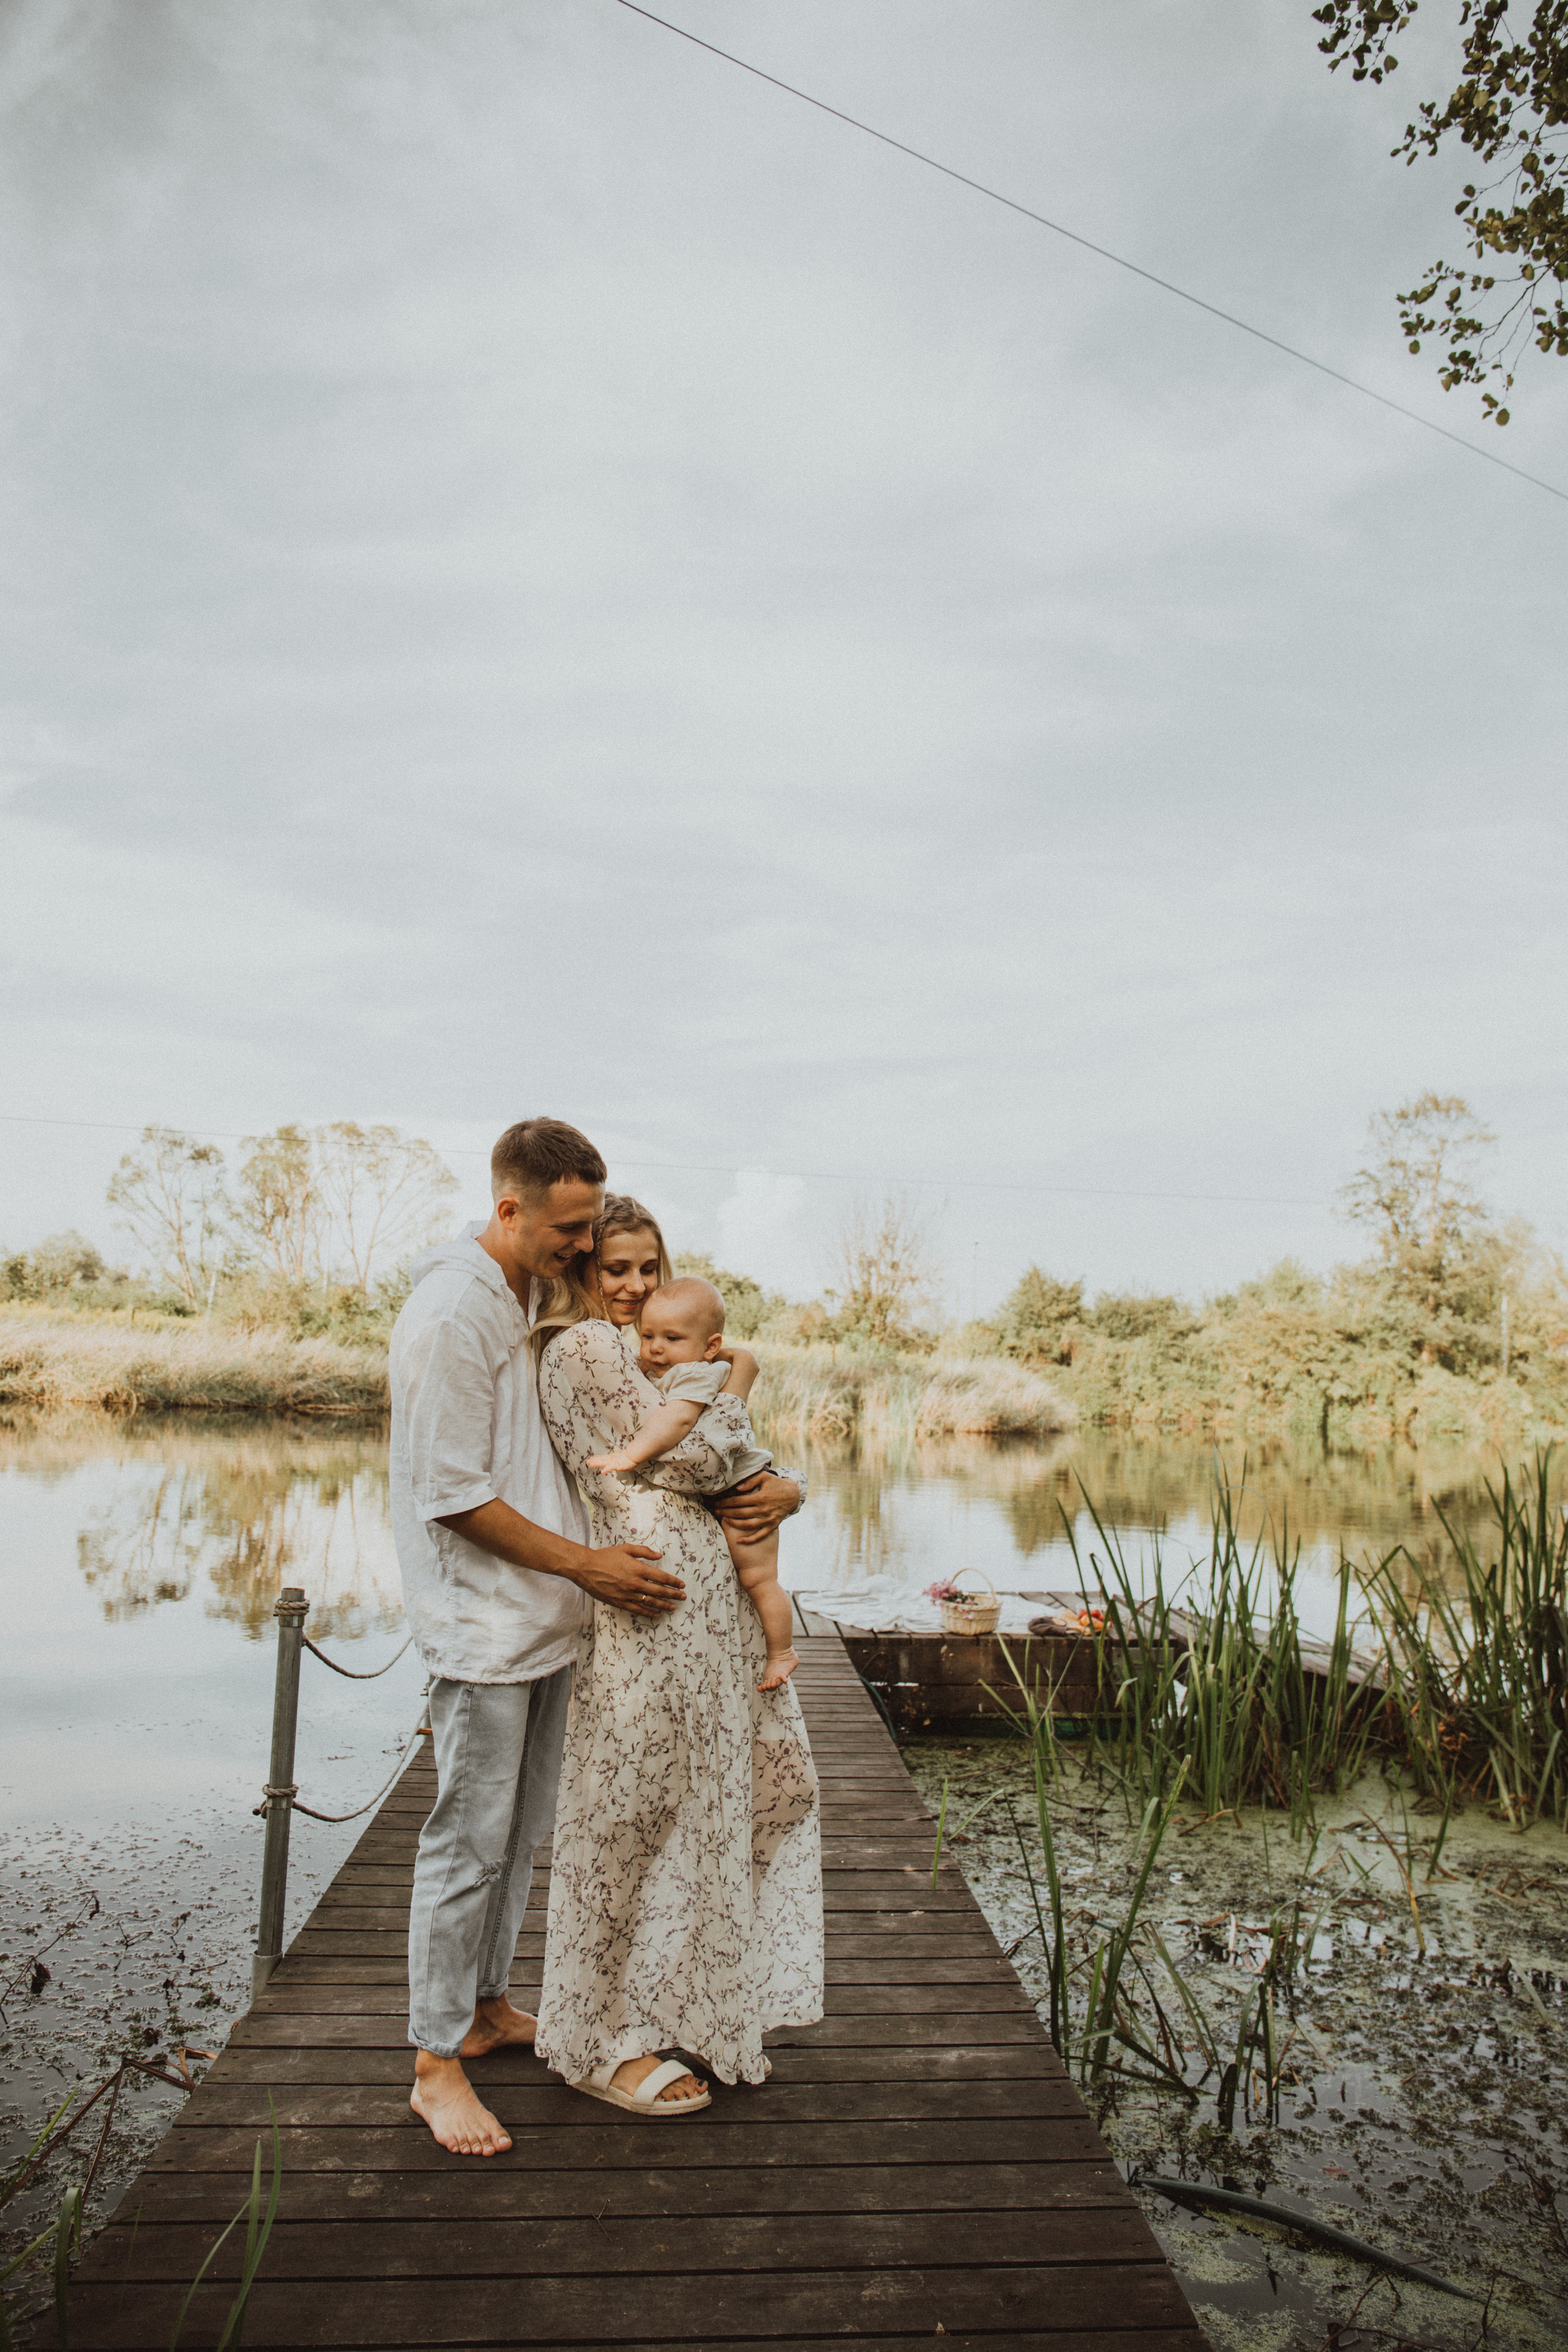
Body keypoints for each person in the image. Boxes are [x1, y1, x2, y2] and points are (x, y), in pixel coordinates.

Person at [388, 1121, 805, 2155]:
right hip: (490, 1623)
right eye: (574, 1235)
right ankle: (434, 2065)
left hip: (559, 1621)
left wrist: (780, 1483)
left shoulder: (534, 1294)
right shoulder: (454, 1309)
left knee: (522, 1836)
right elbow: (447, 1492)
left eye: (604, 1241)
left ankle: (486, 2009)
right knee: (467, 1843)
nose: (587, 1255)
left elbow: (681, 1414)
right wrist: (593, 1566)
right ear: (509, 1208)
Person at [530, 1199, 823, 2111]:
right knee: (627, 1816)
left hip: (714, 1619)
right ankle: (596, 2037)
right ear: (581, 1271)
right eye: (613, 1269)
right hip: (649, 1615)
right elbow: (699, 1460)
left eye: (648, 1268)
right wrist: (741, 1375)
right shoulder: (585, 1351)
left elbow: (738, 1469)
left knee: (753, 1793)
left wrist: (790, 1487)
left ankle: (677, 2000)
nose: (632, 1287)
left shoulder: (654, 1352)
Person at [586, 1272, 799, 1690]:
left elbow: (680, 1418)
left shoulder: (697, 1375)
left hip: (743, 1492)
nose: (656, 1348)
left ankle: (782, 1652)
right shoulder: (670, 1368)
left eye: (672, 1338)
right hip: (719, 1496)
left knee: (758, 1578)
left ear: (711, 1347)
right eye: (647, 1336)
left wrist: (631, 1454)